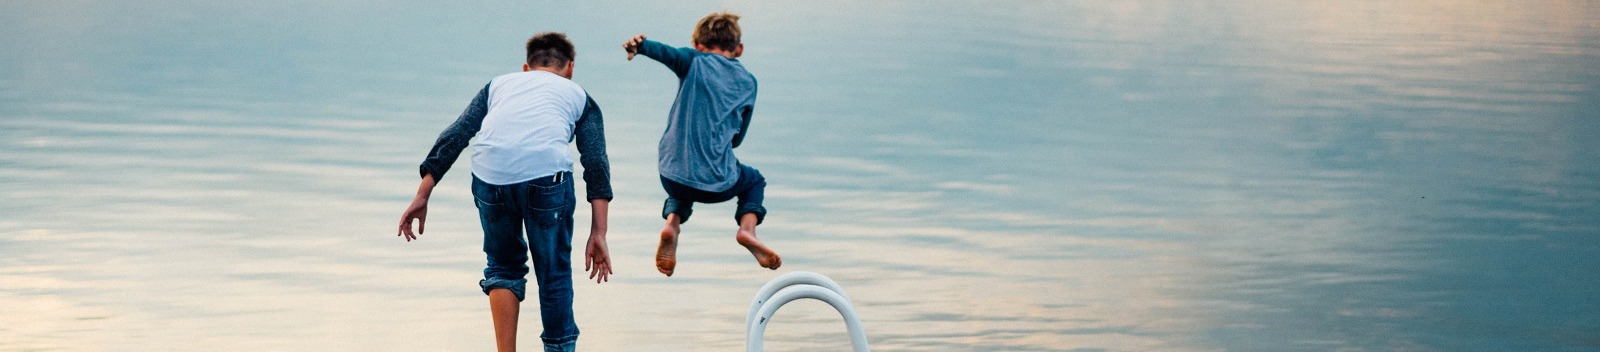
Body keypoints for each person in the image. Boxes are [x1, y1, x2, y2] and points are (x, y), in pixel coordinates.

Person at [397, 32, 612, 352]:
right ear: (570, 68)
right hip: (545, 178)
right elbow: (595, 164)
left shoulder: (499, 85)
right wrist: (599, 231)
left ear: (526, 68)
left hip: (490, 175)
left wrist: (423, 193)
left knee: (502, 266)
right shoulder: (577, 94)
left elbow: (457, 134)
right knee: (553, 275)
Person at [622, 12, 780, 277]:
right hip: (719, 185)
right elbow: (737, 139)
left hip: (671, 176)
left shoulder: (693, 61)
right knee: (753, 180)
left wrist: (640, 46)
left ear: (697, 46)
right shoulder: (749, 82)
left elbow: (668, 53)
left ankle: (672, 224)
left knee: (682, 172)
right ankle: (747, 230)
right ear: (739, 49)